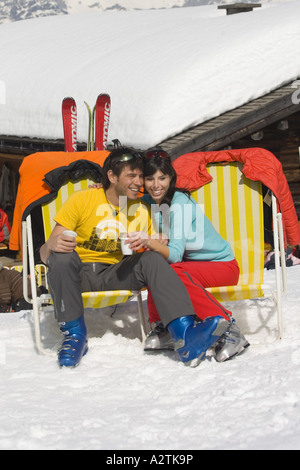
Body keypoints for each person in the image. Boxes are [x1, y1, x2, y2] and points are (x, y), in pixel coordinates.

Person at [40, 147, 230, 368]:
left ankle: (185, 334)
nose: (139, 182)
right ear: (111, 176)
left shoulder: (141, 209)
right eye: (132, 175)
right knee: (61, 257)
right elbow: (46, 256)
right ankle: (74, 336)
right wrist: (50, 246)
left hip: (113, 273)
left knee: (154, 259)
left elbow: (150, 248)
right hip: (77, 273)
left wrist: (155, 241)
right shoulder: (81, 199)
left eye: (141, 176)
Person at [127, 149, 249, 362]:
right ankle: (163, 327)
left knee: (170, 271)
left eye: (162, 178)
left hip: (221, 266)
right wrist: (104, 189)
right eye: (150, 178)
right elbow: (120, 199)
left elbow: (174, 256)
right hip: (193, 268)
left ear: (171, 178)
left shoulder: (179, 203)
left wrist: (149, 241)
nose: (156, 185)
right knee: (154, 267)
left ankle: (229, 328)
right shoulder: (148, 202)